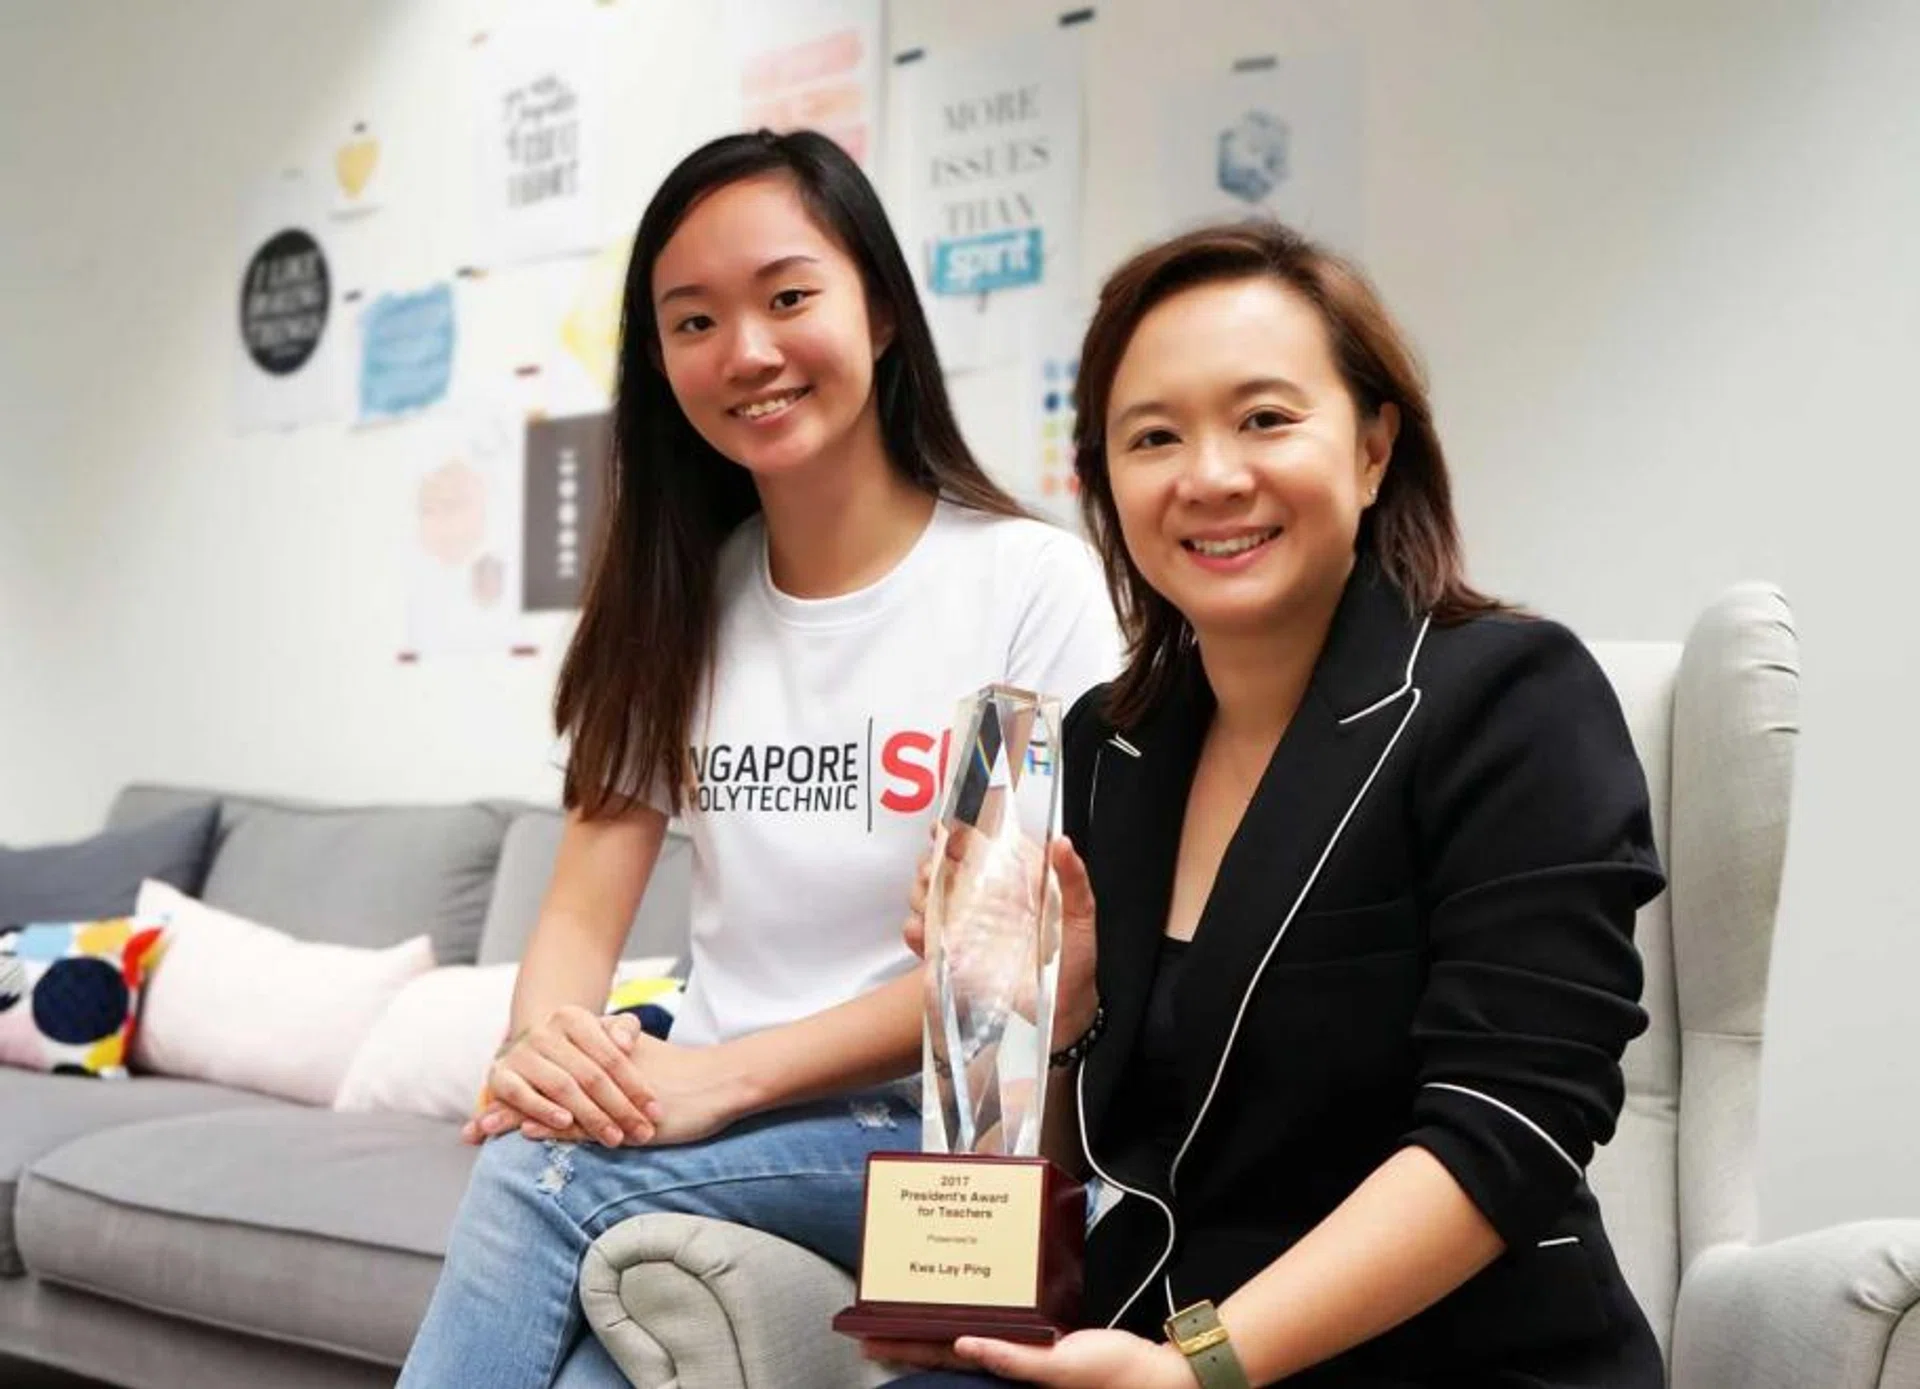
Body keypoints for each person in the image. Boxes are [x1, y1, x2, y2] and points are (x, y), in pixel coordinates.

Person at [876, 221, 1665, 1388]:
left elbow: (1511, 1128)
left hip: (1448, 1359)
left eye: (1265, 418)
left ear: (1374, 447)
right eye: (1154, 436)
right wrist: (1050, 1016)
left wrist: (1203, 1367)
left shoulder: (1511, 699)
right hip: (1140, 1344)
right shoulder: (1110, 743)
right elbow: (1102, 1161)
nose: (1209, 476)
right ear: (1105, 485)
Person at [398, 129, 1121, 1389]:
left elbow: (1007, 977)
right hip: (714, 1106)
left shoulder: (1025, 585)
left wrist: (716, 1086)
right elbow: (580, 900)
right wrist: (550, 1052)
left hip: (935, 1143)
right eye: (693, 321)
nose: (747, 352)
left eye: (789, 297)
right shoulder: (679, 597)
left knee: (539, 1171)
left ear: (881, 312)